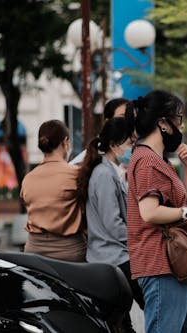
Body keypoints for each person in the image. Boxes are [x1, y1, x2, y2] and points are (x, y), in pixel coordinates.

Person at [125, 90, 187, 333]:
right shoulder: (146, 160)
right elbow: (149, 212)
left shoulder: (159, 159)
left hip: (179, 264)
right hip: (160, 264)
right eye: (179, 118)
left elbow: (186, 201)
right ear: (162, 123)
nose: (182, 125)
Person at [77, 117, 143, 333]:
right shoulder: (104, 175)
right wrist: (141, 237)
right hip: (113, 256)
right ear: (114, 146)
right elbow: (113, 224)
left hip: (115, 253)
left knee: (122, 322)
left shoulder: (112, 171)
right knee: (154, 300)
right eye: (130, 143)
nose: (132, 148)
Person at [20, 120, 86, 262]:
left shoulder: (28, 178)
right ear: (66, 141)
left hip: (34, 251)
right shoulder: (76, 174)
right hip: (69, 251)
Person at [69, 97, 130, 165]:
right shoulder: (89, 160)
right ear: (108, 122)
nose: (130, 122)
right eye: (123, 117)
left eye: (132, 117)